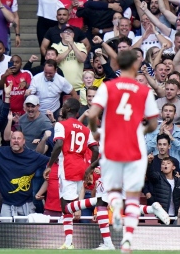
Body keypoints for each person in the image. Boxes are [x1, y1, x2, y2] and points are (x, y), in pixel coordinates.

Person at [87, 49, 159, 253]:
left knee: (113, 189)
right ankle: (127, 240)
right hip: (135, 146)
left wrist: (96, 132)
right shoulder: (144, 90)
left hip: (111, 144)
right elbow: (153, 122)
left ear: (117, 65)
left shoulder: (108, 87)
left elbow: (92, 114)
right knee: (134, 196)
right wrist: (142, 129)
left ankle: (116, 208)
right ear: (136, 66)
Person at [44, 98, 99, 249]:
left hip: (67, 166)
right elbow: (95, 150)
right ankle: (68, 242)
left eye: (64, 106)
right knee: (70, 206)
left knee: (66, 207)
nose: (62, 108)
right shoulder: (85, 129)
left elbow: (59, 144)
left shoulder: (61, 125)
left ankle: (99, 201)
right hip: (81, 167)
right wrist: (90, 169)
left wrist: (49, 165)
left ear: (68, 109)